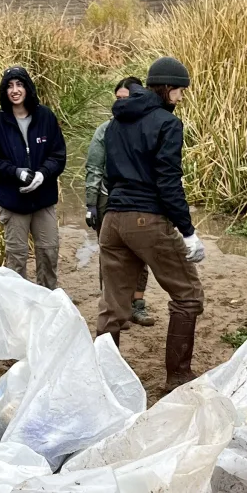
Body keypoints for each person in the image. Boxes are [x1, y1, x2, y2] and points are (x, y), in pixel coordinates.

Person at [96, 56, 206, 392]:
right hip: (147, 219)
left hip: (112, 221)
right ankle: (178, 376)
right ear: (167, 88)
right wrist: (187, 231)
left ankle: (103, 381)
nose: (182, 97)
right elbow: (168, 181)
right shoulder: (167, 124)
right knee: (188, 295)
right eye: (180, 90)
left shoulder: (115, 123)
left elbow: (110, 174)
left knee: (113, 306)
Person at [0, 66, 67, 289]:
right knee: (16, 259)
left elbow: (58, 155)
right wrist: (16, 172)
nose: (15, 90)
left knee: (49, 252)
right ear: (4, 91)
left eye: (19, 85)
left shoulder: (45, 116)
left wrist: (42, 174)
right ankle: (19, 309)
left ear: (27, 87)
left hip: (43, 200)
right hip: (13, 202)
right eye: (9, 86)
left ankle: (47, 303)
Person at [86, 75, 154, 326]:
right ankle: (114, 308)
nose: (122, 104)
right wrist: (91, 204)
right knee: (110, 255)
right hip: (108, 197)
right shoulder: (104, 130)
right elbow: (93, 167)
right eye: (118, 99)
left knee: (140, 253)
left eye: (127, 98)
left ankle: (137, 305)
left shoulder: (148, 127)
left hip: (140, 199)